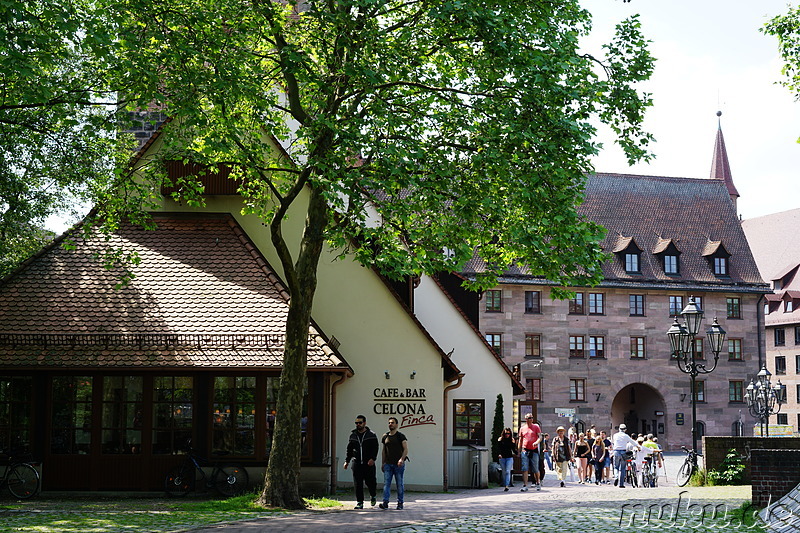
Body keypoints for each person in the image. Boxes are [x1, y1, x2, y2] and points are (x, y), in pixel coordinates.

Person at [343, 414, 379, 509]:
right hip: (357, 463)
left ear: (364, 423)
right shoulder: (353, 435)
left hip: (368, 463)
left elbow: (375, 448)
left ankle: (373, 495)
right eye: (356, 423)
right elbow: (349, 449)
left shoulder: (371, 435)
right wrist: (347, 461)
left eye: (360, 422)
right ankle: (360, 502)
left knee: (370, 482)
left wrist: (373, 458)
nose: (358, 424)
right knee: (358, 483)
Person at [378, 416, 408, 510]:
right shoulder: (385, 436)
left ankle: (400, 503)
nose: (390, 424)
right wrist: (383, 463)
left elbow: (406, 449)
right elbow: (383, 451)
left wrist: (401, 459)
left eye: (392, 422)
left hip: (398, 465)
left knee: (399, 484)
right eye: (389, 423)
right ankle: (385, 502)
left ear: (397, 425)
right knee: (386, 484)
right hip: (388, 464)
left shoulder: (400, 436)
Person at [517, 414, 542, 491]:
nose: (531, 419)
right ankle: (525, 485)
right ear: (526, 419)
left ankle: (538, 482)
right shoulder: (522, 428)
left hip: (534, 450)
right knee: (524, 468)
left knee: (535, 468)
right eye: (529, 418)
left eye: (531, 418)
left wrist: (536, 442)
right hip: (525, 450)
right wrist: (518, 450)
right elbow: (520, 440)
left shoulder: (536, 427)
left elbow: (540, 437)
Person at [611, 424, 640, 488]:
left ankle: (616, 477)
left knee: (616, 467)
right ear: (625, 430)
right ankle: (621, 484)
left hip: (616, 451)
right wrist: (638, 447)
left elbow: (613, 442)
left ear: (619, 429)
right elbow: (633, 442)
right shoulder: (626, 436)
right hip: (623, 452)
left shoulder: (615, 435)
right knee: (623, 468)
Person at [497, 427, 517, 491]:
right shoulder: (500, 439)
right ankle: (504, 483)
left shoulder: (511, 440)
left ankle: (506, 485)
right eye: (506, 433)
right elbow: (498, 448)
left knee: (508, 471)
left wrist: (518, 453)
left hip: (509, 457)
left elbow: (513, 449)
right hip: (502, 457)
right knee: (504, 471)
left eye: (508, 433)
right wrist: (499, 454)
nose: (507, 435)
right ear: (503, 433)